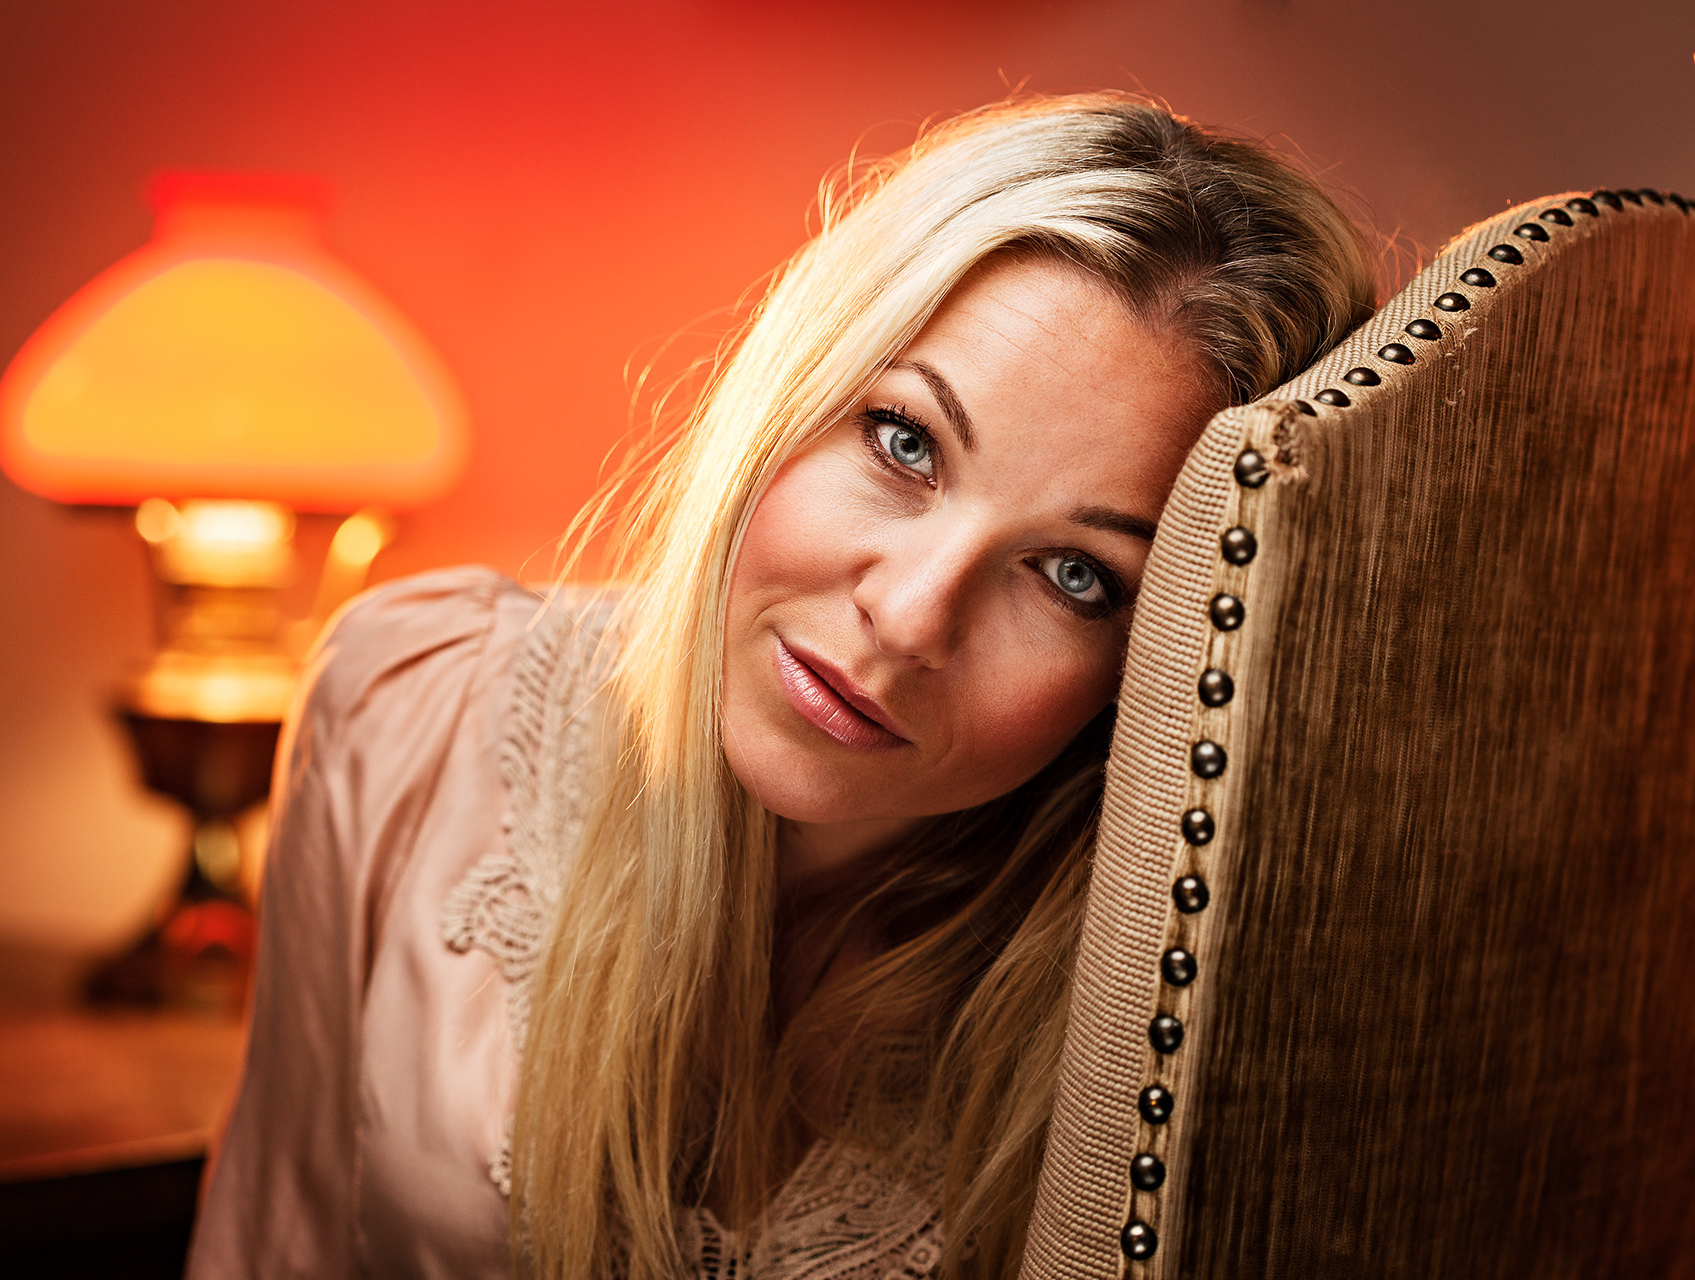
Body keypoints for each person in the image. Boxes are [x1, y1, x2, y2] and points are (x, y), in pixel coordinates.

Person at [187, 93, 1375, 1280]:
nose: (910, 617)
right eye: (905, 441)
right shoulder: (413, 700)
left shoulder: (1184, 991)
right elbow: (269, 1240)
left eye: (1075, 574)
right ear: (789, 389)